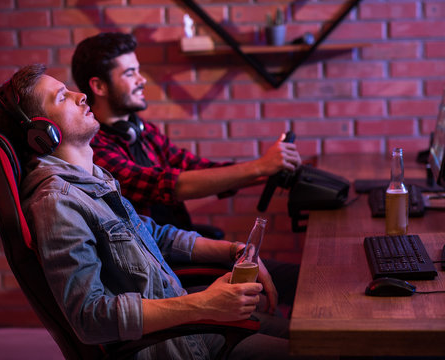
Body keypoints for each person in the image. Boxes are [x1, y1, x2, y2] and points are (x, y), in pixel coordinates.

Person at [0, 64, 294, 360]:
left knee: (307, 333)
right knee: (319, 347)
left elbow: (154, 233)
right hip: (178, 347)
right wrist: (202, 304)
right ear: (42, 131)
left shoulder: (94, 180)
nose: (82, 97)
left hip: (190, 326)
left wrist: (232, 251)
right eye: (63, 97)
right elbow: (90, 317)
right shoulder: (58, 203)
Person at [71, 32, 301, 310]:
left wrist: (264, 172)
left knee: (297, 278)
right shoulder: (95, 147)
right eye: (131, 73)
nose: (142, 80)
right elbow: (166, 184)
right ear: (99, 86)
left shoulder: (139, 129)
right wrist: (259, 166)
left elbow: (190, 166)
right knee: (301, 280)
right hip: (163, 265)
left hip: (188, 245)